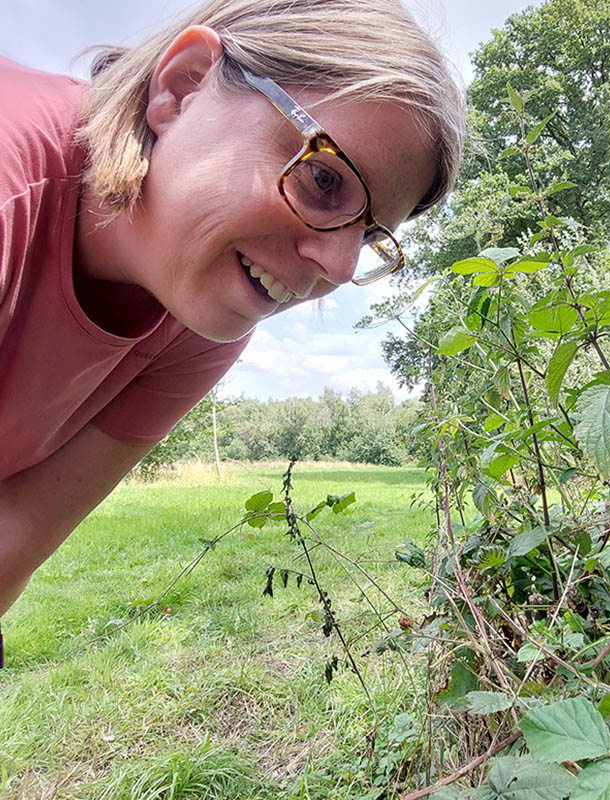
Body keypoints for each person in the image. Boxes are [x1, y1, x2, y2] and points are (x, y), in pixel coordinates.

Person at [0, 0, 464, 630]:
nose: (340, 267)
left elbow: (17, 534)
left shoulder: (201, 316)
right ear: (184, 85)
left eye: (370, 233)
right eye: (325, 181)